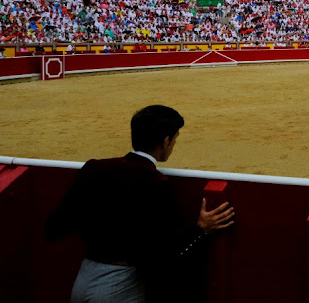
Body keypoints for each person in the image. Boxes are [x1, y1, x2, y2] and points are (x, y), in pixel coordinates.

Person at [45, 105, 235, 303]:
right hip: (120, 288)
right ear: (166, 141)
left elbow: (54, 228)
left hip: (82, 281)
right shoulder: (156, 183)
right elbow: (166, 253)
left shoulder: (93, 168)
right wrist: (201, 229)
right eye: (175, 139)